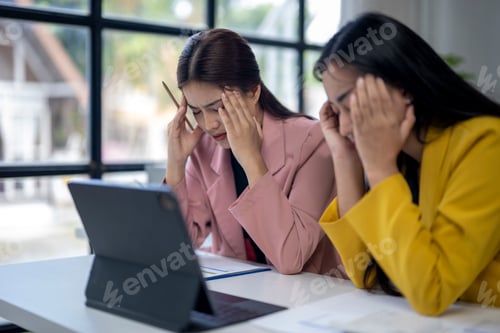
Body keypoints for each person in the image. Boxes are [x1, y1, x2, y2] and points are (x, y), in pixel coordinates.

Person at [316, 12, 500, 315]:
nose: (345, 126)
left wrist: (379, 169)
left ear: (402, 86)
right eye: (336, 110)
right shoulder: (406, 159)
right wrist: (344, 156)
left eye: (349, 105)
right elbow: (368, 273)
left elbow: (431, 291)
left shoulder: (485, 144)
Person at [164, 28, 342, 276]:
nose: (209, 124)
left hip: (309, 300)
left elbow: (291, 258)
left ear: (253, 91)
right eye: (196, 111)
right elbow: (173, 252)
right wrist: (175, 166)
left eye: (218, 108)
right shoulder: (205, 145)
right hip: (242, 294)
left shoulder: (312, 140)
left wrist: (251, 159)